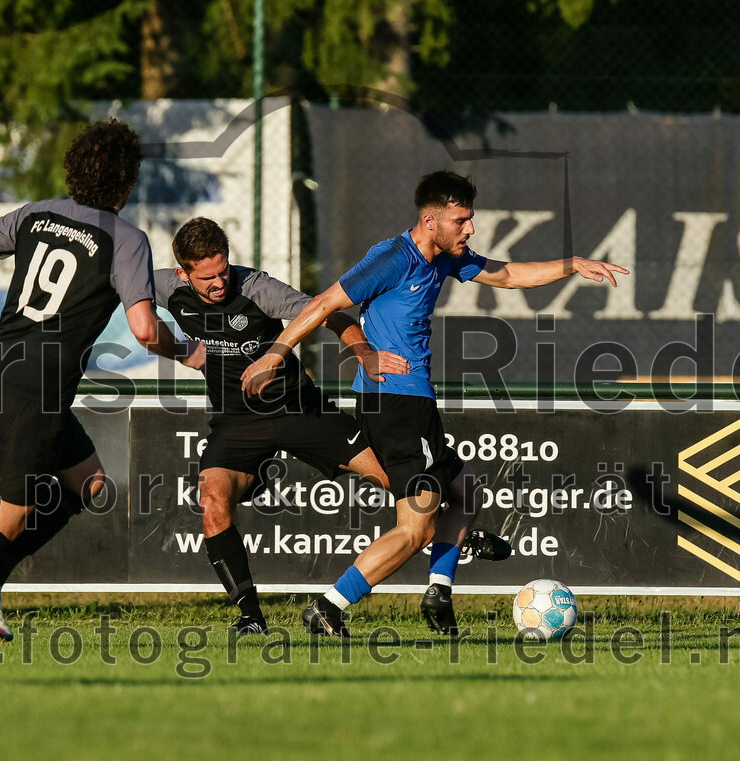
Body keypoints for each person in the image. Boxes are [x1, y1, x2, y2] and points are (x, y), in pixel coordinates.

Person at [242, 170, 628, 637]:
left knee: (466, 493)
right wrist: (275, 354)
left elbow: (506, 275)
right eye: (461, 220)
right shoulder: (392, 258)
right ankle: (329, 606)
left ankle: (439, 592)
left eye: (470, 219)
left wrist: (572, 264)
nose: (469, 229)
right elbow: (324, 303)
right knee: (417, 529)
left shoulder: (445, 257)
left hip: (411, 404)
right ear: (431, 221)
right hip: (395, 404)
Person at [0, 119, 204, 648]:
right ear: (127, 182)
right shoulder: (126, 238)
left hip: (1, 369)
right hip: (38, 391)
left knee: (88, 482)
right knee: (5, 519)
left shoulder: (37, 214)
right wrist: (188, 350)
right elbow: (145, 329)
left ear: (74, 169)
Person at [155, 216, 408, 634]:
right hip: (236, 422)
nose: (219, 284)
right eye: (207, 279)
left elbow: (329, 313)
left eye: (223, 271)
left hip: (300, 411)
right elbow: (118, 283)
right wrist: (178, 350)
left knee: (394, 477)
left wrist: (364, 353)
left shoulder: (258, 289)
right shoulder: (166, 286)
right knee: (212, 505)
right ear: (183, 273)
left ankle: (453, 534)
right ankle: (251, 618)